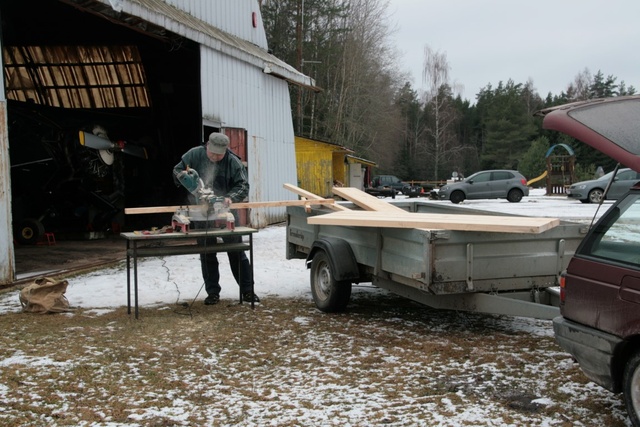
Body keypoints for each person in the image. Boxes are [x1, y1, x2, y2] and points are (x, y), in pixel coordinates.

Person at [173, 132, 259, 305]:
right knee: (207, 252)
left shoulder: (233, 161)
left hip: (225, 211)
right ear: (207, 147)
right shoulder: (193, 154)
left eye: (219, 155)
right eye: (212, 154)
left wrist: (230, 197)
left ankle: (248, 291)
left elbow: (243, 184)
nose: (215, 157)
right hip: (201, 211)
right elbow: (177, 170)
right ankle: (212, 292)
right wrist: (185, 178)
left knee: (236, 251)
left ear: (225, 151)